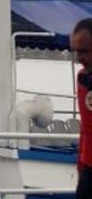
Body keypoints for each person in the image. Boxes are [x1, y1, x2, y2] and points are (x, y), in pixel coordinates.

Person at [71, 18, 92, 197]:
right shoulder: (82, 79)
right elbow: (86, 129)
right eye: (76, 51)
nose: (79, 58)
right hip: (89, 170)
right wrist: (81, 166)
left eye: (84, 51)